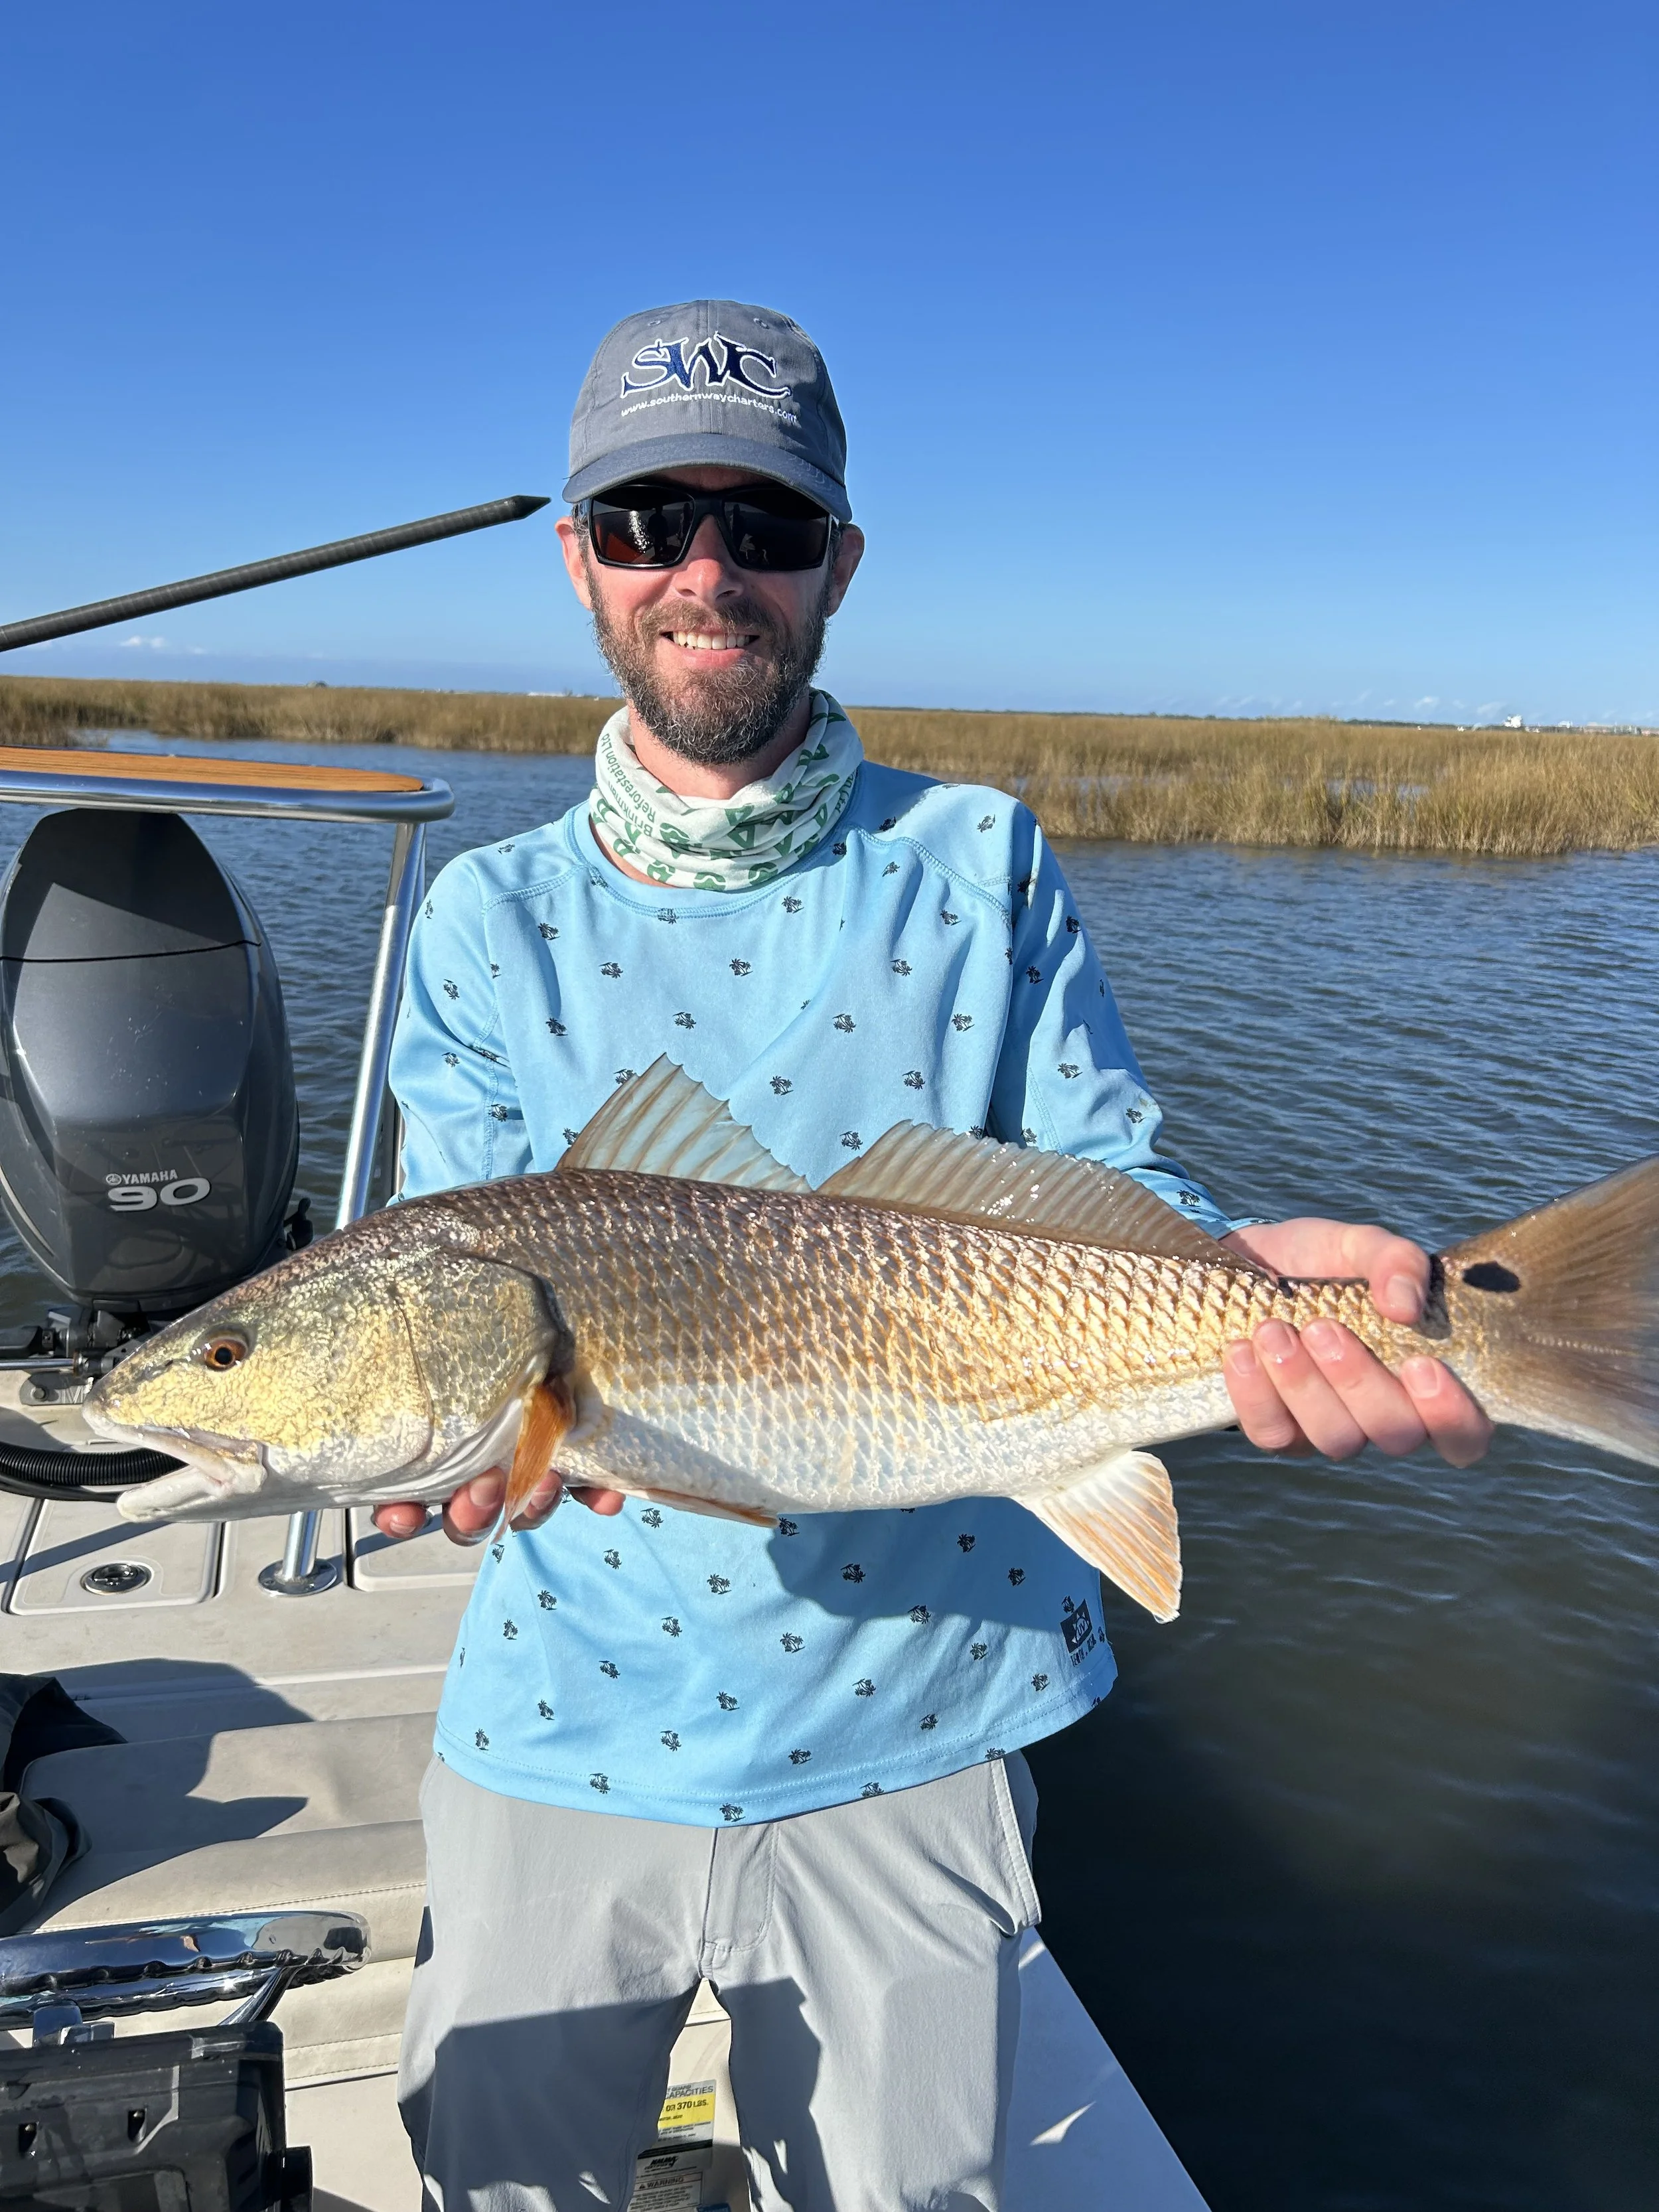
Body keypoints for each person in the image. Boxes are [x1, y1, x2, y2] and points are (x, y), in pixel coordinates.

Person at [378, 299, 1492, 2212]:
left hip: (929, 1713)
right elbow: (474, 1290)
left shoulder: (982, 859)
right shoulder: (484, 919)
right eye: (648, 520)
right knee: (485, 2167)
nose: (706, 572)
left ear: (840, 562)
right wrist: (464, 1440)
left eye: (767, 524)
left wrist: (1238, 1271)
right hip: (560, 1716)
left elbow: (1096, 1182)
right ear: (577, 556)